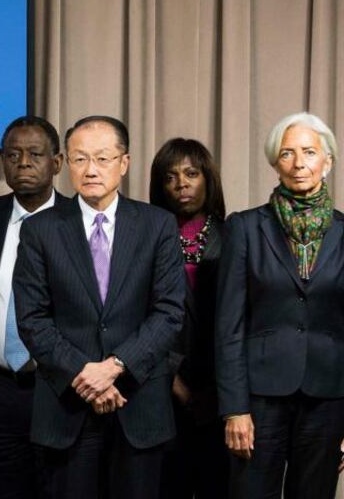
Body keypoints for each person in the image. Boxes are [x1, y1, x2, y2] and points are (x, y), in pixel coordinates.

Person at [12, 116, 185, 499]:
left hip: (138, 402)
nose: (91, 170)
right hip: (67, 407)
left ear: (124, 163)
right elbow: (32, 319)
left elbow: (170, 312)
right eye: (80, 159)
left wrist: (115, 366)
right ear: (65, 164)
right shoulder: (40, 229)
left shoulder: (157, 225)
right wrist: (84, 373)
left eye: (103, 159)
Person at [216, 112, 344, 498]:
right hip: (259, 398)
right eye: (287, 153)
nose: (298, 163)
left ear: (328, 161)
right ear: (275, 163)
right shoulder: (245, 228)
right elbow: (228, 325)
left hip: (328, 397)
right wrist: (234, 408)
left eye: (309, 152)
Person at [0, 116, 69, 499]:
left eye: (34, 154)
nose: (23, 163)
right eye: (13, 155)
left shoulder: (78, 221)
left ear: (56, 163)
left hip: (59, 391)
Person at [149, 139, 229, 499]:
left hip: (223, 392)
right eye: (170, 177)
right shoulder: (146, 237)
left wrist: (219, 390)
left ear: (208, 179)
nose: (181, 183)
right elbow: (139, 317)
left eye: (191, 173)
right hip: (161, 387)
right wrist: (174, 382)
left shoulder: (235, 236)